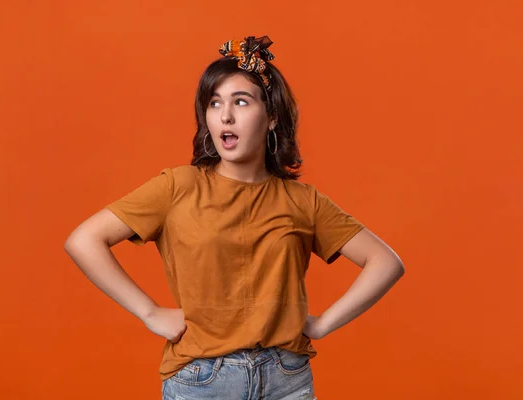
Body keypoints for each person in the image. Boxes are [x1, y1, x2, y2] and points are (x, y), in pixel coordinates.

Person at [64, 35, 405, 400]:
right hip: (202, 380)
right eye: (214, 103)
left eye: (240, 102)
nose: (225, 115)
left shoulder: (303, 201)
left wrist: (321, 325)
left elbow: (386, 262)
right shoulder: (178, 186)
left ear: (272, 117)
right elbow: (83, 240)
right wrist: (149, 312)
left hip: (285, 378)